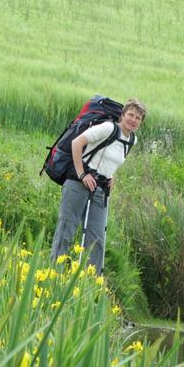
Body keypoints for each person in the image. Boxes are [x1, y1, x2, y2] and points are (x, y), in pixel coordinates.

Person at [50, 98, 146, 274]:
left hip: (100, 189)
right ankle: (55, 273)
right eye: (130, 115)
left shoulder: (132, 140)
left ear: (141, 122)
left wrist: (111, 176)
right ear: (122, 115)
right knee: (67, 229)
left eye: (138, 118)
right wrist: (82, 173)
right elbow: (76, 143)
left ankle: (91, 282)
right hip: (78, 183)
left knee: (97, 238)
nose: (133, 120)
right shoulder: (108, 128)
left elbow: (112, 158)